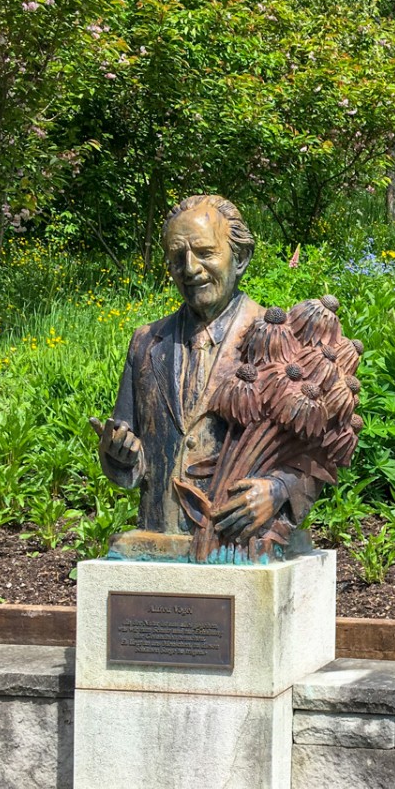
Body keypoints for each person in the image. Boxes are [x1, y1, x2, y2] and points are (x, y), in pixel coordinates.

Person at [91, 195, 312, 543]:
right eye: (178, 257)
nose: (190, 268)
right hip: (159, 537)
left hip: (237, 539)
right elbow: (129, 448)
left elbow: (318, 450)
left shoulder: (281, 338)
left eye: (205, 253)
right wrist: (120, 455)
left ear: (240, 258)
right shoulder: (146, 343)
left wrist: (279, 490)